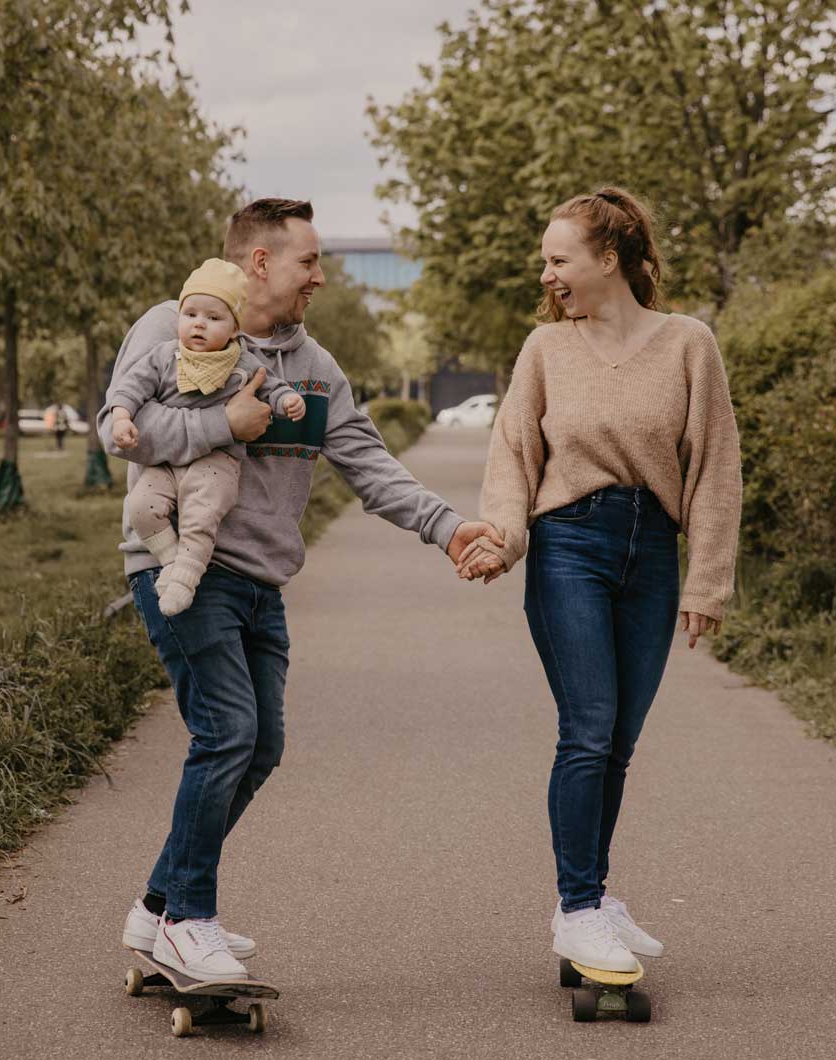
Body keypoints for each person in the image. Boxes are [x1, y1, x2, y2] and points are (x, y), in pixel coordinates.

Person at [100, 198, 504, 982]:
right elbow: (123, 432)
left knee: (261, 746)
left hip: (262, 583)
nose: (320, 276)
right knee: (226, 733)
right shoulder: (173, 323)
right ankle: (191, 919)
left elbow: (367, 463)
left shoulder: (315, 369)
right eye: (308, 262)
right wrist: (228, 425)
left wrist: (448, 528)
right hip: (181, 565)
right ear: (259, 262)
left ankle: (157, 911)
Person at [458, 186, 742, 973]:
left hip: (652, 551)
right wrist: (504, 540)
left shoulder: (689, 343)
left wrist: (707, 580)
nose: (545, 273)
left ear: (607, 260)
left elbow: (717, 465)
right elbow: (513, 461)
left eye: (558, 259)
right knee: (587, 728)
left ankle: (590, 899)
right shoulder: (544, 351)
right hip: (568, 548)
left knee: (618, 742)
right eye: (545, 260)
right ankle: (579, 907)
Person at [109, 258, 306, 616]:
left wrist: (287, 400)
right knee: (140, 506)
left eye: (213, 318)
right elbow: (129, 390)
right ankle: (173, 563)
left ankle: (187, 576)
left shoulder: (240, 363)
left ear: (233, 330)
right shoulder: (163, 357)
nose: (199, 324)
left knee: (202, 514)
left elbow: (271, 387)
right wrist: (122, 418)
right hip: (166, 463)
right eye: (191, 315)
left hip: (216, 462)